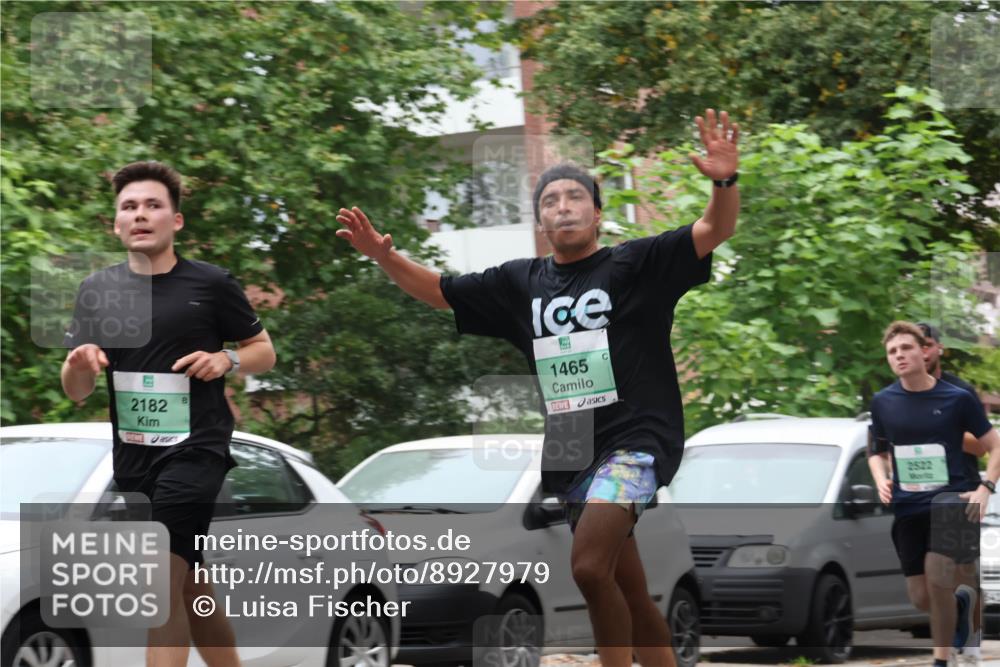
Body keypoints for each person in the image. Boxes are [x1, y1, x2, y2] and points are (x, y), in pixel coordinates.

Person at [337, 109, 740, 667]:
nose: (563, 207)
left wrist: (723, 181)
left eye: (575, 197)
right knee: (626, 587)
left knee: (587, 566)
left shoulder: (636, 263)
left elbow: (714, 229)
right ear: (540, 223)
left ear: (598, 213)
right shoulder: (518, 283)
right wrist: (385, 257)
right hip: (574, 446)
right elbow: (438, 292)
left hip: (637, 439)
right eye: (550, 202)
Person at [61, 161, 276, 667]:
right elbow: (75, 391)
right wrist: (78, 363)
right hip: (134, 460)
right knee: (191, 589)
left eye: (153, 205)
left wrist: (228, 358)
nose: (140, 215)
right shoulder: (97, 291)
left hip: (196, 453)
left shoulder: (211, 284)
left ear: (175, 221)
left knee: (159, 581)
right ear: (116, 223)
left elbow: (264, 350)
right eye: (129, 207)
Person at [867, 321, 999, 667]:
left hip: (952, 500)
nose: (899, 356)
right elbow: (876, 450)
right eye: (892, 352)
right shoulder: (883, 402)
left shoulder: (956, 398)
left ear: (924, 351)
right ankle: (964, 611)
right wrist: (881, 476)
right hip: (909, 506)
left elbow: (994, 446)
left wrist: (985, 488)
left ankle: (943, 659)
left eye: (906, 348)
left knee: (939, 573)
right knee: (921, 597)